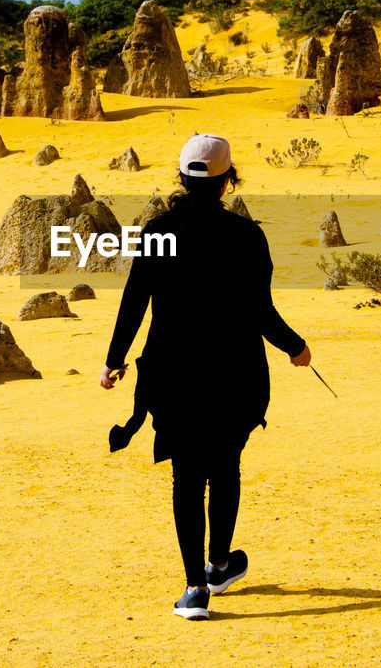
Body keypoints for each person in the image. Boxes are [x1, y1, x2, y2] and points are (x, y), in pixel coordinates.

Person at [101, 133, 311, 620]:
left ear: (181, 179)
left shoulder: (159, 231)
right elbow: (261, 311)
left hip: (173, 375)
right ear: (226, 180)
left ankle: (196, 588)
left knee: (186, 476)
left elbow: (135, 301)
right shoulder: (246, 235)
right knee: (226, 467)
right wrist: (295, 348)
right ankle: (219, 564)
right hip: (235, 374)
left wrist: (115, 359)